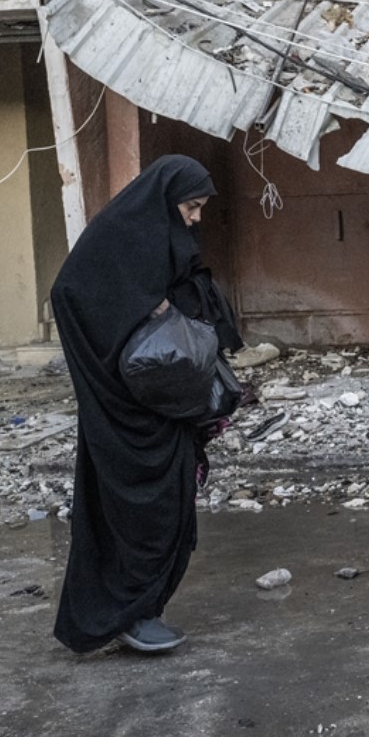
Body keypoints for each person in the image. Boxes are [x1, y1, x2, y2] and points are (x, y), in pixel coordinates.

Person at [51, 155, 241, 653]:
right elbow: (72, 294)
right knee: (139, 514)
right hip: (124, 414)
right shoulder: (115, 242)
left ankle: (143, 610)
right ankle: (127, 615)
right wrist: (144, 309)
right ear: (164, 201)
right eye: (192, 207)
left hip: (163, 412)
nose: (196, 218)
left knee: (171, 506)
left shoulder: (155, 243)